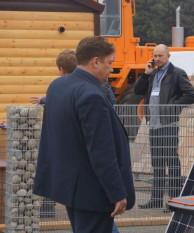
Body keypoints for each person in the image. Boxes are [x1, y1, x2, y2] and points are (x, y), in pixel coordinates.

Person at [33, 36, 135, 233]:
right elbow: (101, 152)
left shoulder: (57, 86)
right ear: (95, 61)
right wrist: (116, 193)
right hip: (92, 192)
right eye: (109, 63)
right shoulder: (91, 96)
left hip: (69, 186)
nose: (111, 69)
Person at [135, 44, 194, 209]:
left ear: (168, 57)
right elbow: (137, 90)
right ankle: (156, 199)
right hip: (154, 125)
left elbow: (190, 95)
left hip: (168, 124)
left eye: (160, 56)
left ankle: (174, 201)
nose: (156, 59)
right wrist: (145, 74)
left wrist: (171, 106)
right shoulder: (152, 73)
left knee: (171, 162)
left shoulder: (177, 73)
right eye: (154, 56)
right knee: (157, 163)